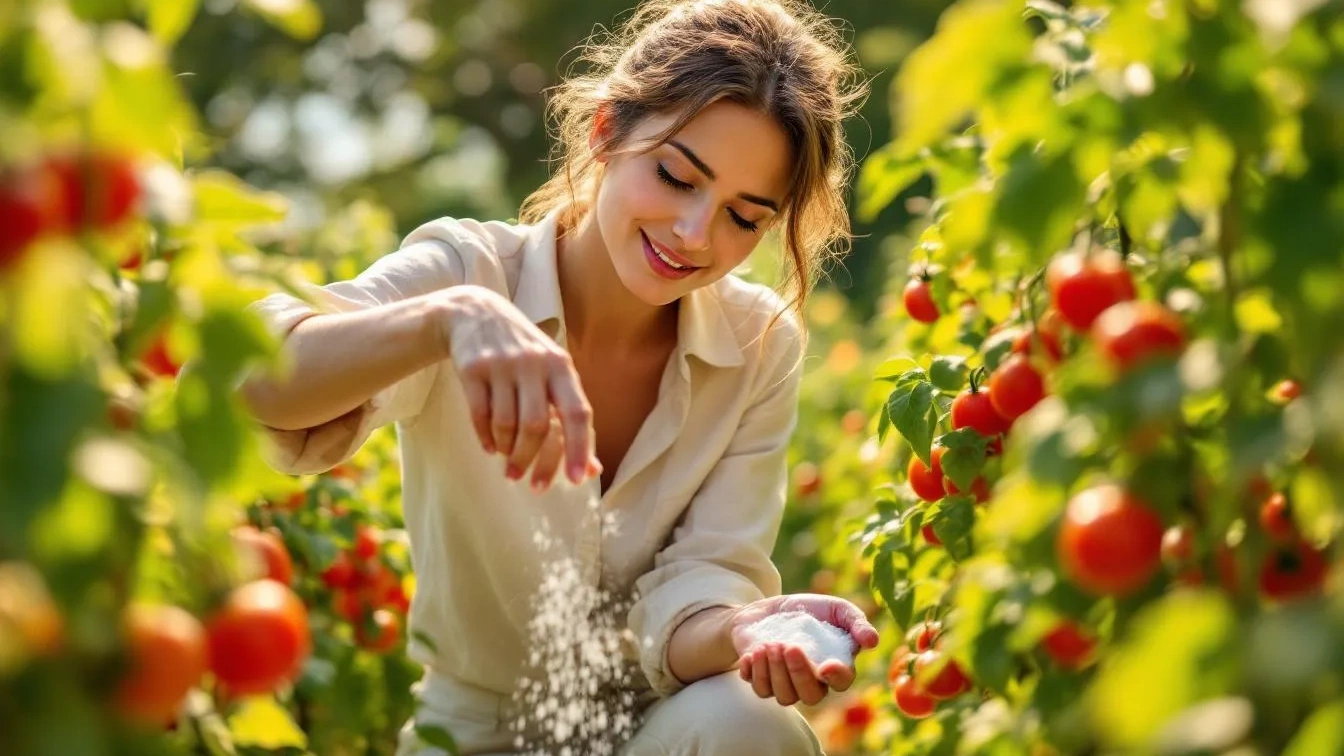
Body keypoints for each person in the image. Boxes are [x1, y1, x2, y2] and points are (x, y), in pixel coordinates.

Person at [237, 0, 877, 753]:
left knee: (750, 722)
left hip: (661, 727)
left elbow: (704, 576)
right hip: (479, 733)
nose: (695, 233)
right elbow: (253, 381)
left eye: (744, 217)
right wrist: (451, 320)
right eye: (675, 177)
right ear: (606, 131)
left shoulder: (758, 344)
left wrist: (743, 627)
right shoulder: (471, 273)